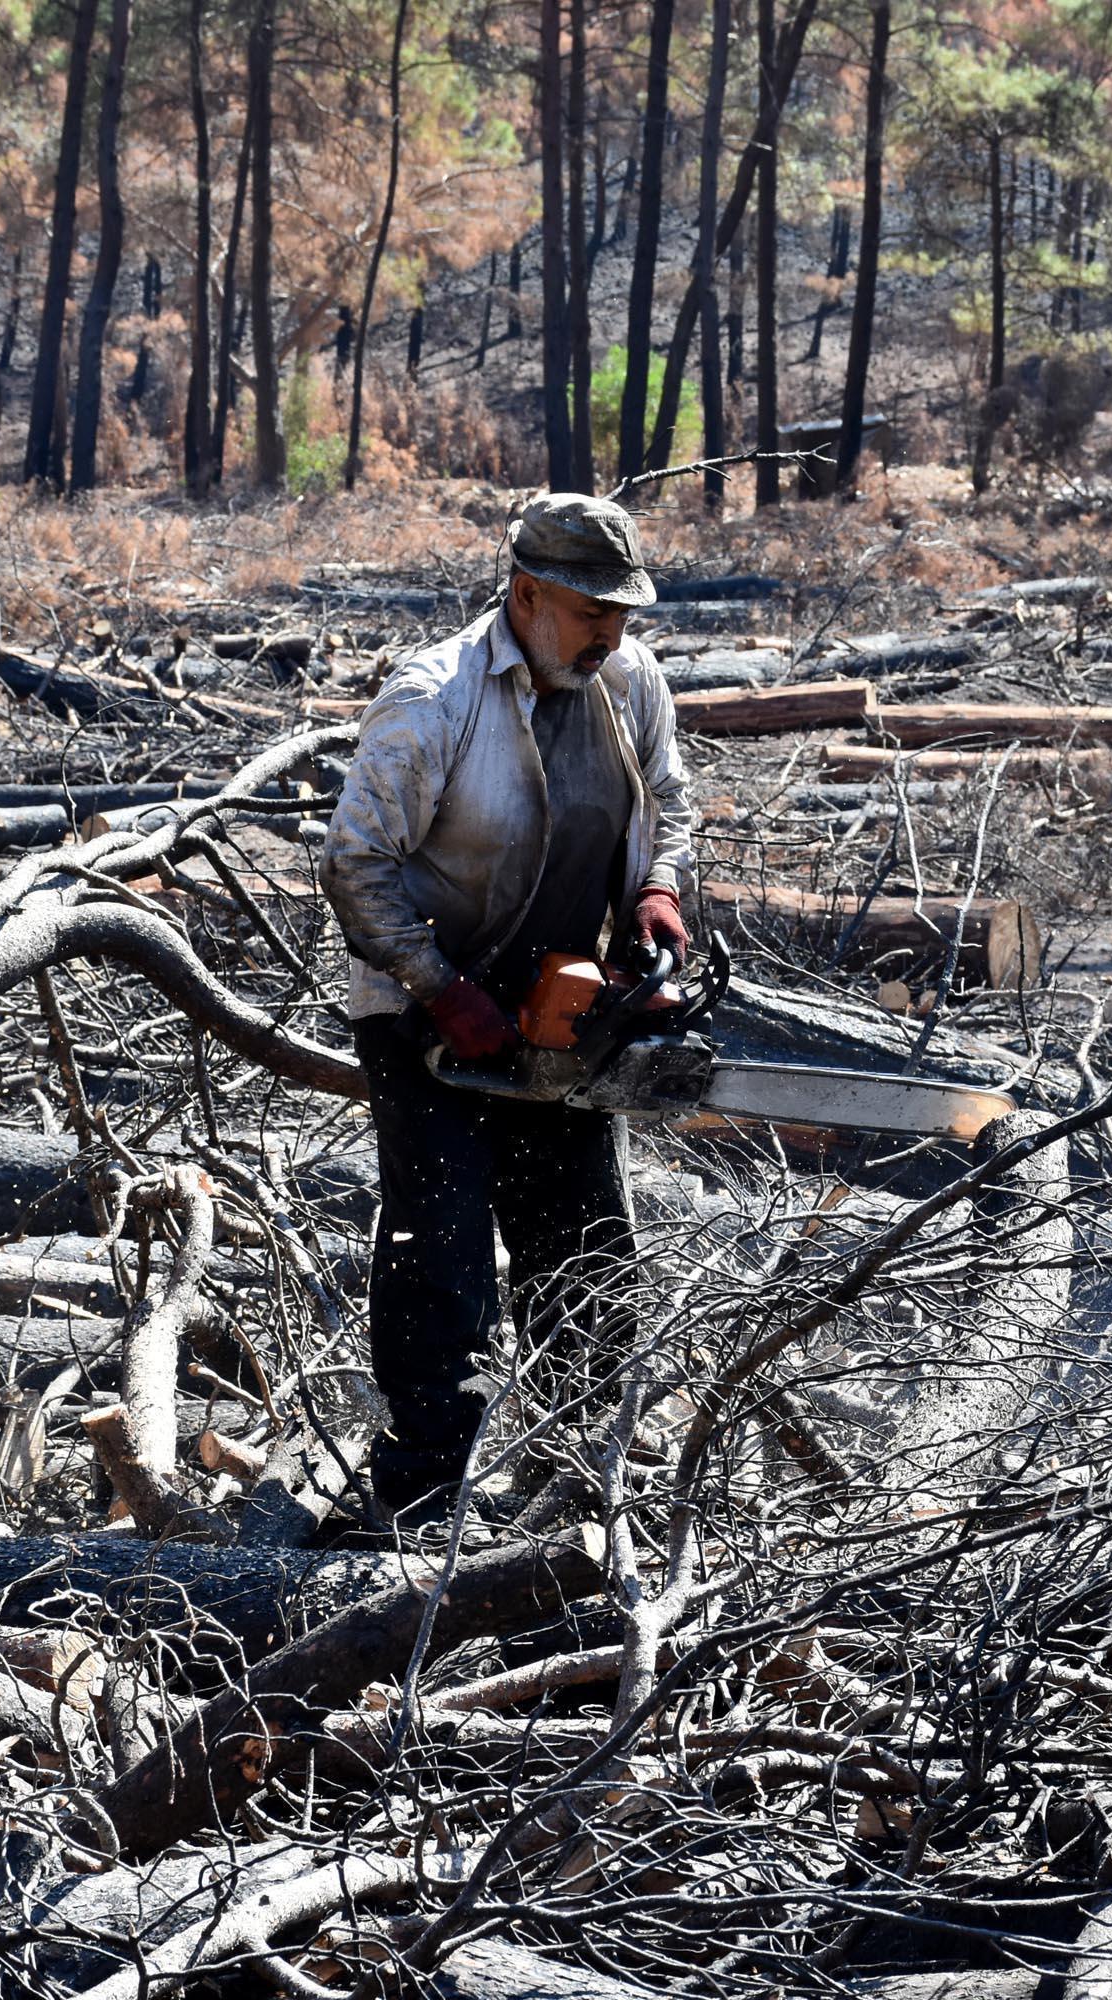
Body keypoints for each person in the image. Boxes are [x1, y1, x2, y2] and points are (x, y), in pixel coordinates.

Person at [319, 492, 698, 1518]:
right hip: (426, 1005)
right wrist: (443, 991)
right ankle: (419, 1496)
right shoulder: (434, 699)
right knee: (441, 1260)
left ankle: (575, 1486)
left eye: (622, 613)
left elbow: (668, 803)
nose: (610, 632)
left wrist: (658, 888)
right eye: (590, 612)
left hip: (564, 1005)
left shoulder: (631, 681)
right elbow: (356, 866)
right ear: (528, 594)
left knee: (585, 1251)